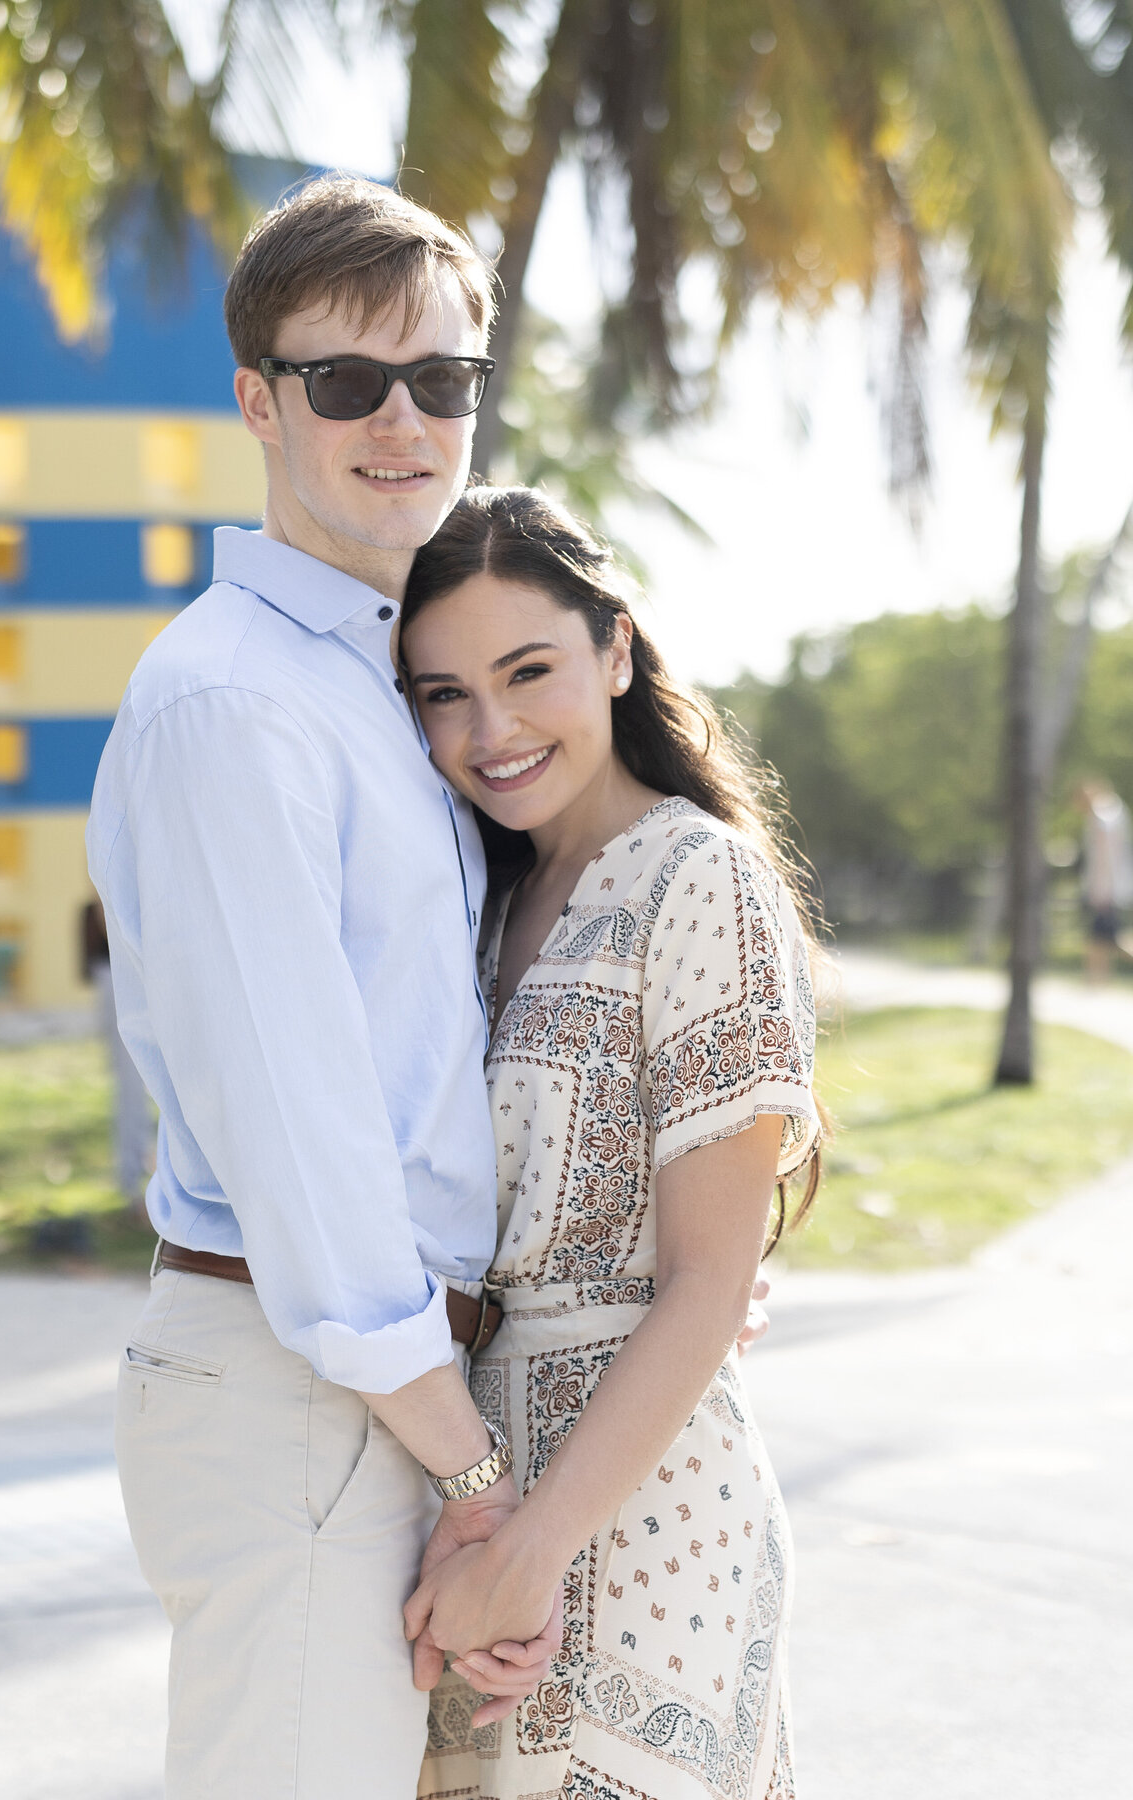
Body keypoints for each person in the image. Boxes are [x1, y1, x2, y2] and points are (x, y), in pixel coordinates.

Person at [86, 177, 560, 1799]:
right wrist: (479, 1472)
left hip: (383, 1392)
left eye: (441, 380)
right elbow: (309, 1145)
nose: (402, 420)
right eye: (347, 381)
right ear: (258, 402)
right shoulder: (238, 703)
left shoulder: (383, 680)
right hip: (316, 1390)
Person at [399, 486, 821, 1800]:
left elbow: (706, 1282)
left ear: (617, 651)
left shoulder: (701, 876)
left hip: (648, 1522)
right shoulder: (477, 897)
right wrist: (480, 1539)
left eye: (529, 672)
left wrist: (528, 1558)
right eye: (444, 694)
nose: (493, 728)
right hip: (475, 1499)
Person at [79, 892, 156, 1211]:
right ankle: (130, 1174)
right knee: (128, 1087)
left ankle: (144, 1165)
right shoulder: (93, 908)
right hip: (115, 986)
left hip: (143, 987)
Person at [1074, 779, 1133, 984]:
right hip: (1114, 885)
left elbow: (1104, 856)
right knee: (1100, 937)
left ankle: (1094, 980)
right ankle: (1096, 980)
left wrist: (1101, 889)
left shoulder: (1101, 816)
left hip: (1107, 887)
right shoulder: (1115, 810)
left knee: (1110, 937)